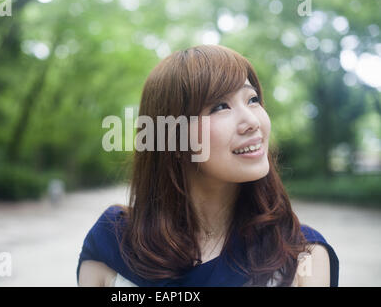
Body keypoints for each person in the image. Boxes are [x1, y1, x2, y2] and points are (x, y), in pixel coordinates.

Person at [76, 44, 339, 287]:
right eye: (220, 106)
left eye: (253, 99)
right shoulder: (112, 245)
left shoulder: (302, 255)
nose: (252, 121)